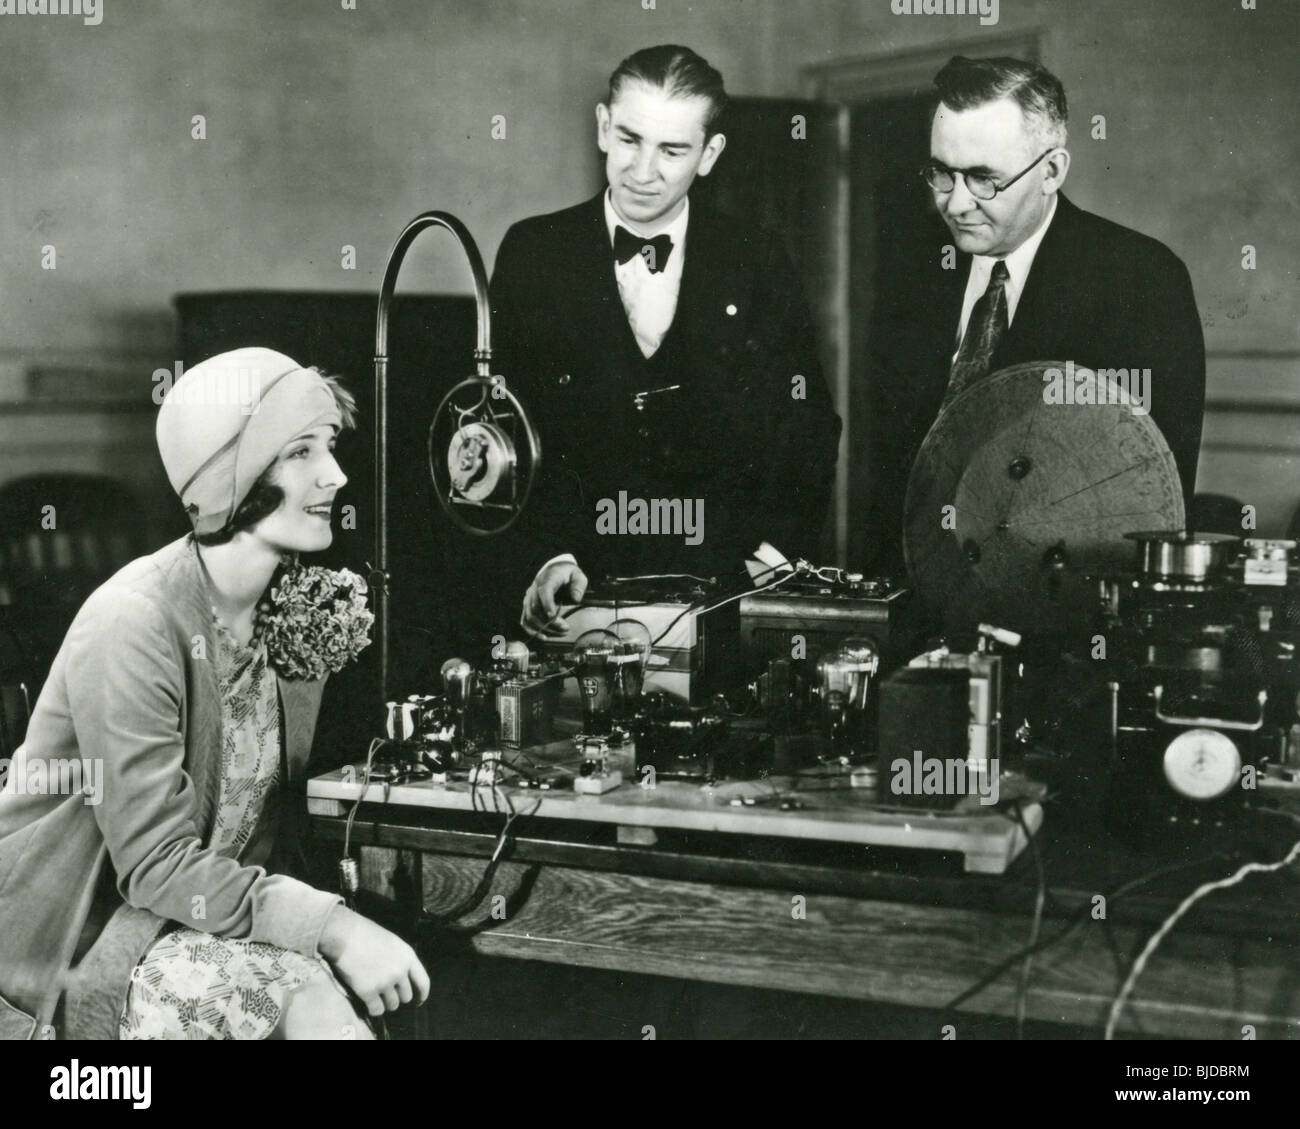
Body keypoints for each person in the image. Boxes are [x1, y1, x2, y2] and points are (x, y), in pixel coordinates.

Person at [0, 348, 428, 1040]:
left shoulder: (291, 604)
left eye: (329, 447)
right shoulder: (134, 619)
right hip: (77, 939)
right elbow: (154, 864)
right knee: (317, 1007)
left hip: (202, 920)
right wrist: (336, 929)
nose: (336, 474)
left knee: (378, 985)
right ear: (232, 478)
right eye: (300, 452)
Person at [490, 44, 842, 638]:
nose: (643, 170)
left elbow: (806, 422)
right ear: (603, 127)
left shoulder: (757, 259)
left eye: (672, 150)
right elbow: (500, 428)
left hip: (722, 586)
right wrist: (546, 557)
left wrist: (771, 551)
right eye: (629, 139)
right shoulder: (533, 253)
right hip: (573, 595)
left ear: (709, 155)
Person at [866, 55, 1206, 574]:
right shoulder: (912, 271)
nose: (955, 205)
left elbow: (1151, 490)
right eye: (941, 173)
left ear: (1051, 171)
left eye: (984, 179)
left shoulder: (1140, 279)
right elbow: (893, 467)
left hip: (1064, 608)